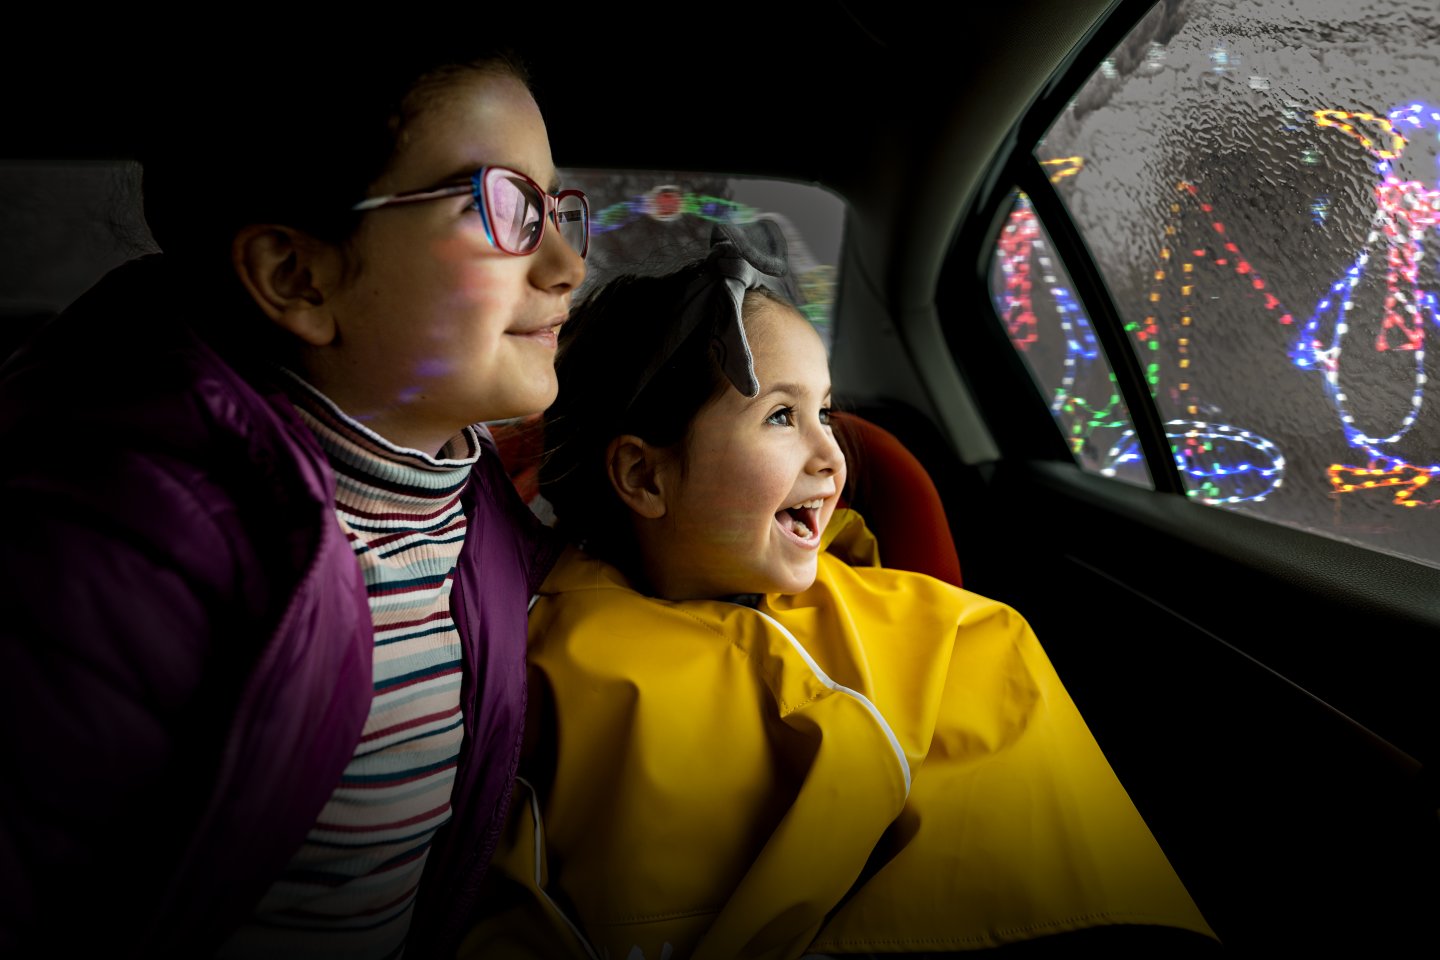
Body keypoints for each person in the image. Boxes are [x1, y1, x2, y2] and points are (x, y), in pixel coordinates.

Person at [459, 222, 1220, 959]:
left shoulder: (950, 634)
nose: (832, 455)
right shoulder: (537, 665)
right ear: (644, 476)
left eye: (825, 410)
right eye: (782, 416)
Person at [0, 40, 585, 959]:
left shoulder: (477, 510)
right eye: (503, 206)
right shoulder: (112, 551)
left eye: (554, 209)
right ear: (297, 277)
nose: (564, 264)